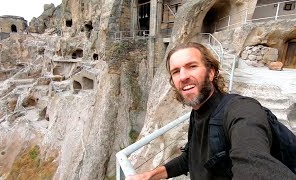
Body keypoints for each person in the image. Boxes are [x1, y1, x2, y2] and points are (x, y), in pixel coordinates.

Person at [127, 42, 296, 180]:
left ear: (211, 73)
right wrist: (150, 175)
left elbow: (253, 161)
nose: (183, 76)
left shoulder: (241, 109)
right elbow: (192, 158)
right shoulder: (197, 112)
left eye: (192, 66)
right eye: (176, 71)